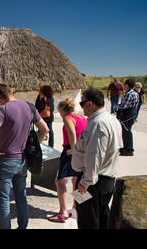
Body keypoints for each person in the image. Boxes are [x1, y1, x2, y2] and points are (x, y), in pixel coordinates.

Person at [0, 84, 49, 229]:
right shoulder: (30, 107)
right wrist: (33, 146)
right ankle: (23, 226)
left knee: (3, 200)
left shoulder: (3, 109)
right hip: (22, 160)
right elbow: (45, 129)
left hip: (6, 160)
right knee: (21, 197)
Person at [72, 88, 122, 229]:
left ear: (90, 104)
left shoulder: (98, 123)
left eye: (82, 104)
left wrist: (85, 181)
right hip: (103, 179)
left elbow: (95, 155)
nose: (81, 108)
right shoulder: (112, 120)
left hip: (93, 182)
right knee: (101, 218)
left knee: (88, 221)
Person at [47, 98, 87, 223]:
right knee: (77, 180)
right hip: (83, 151)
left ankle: (63, 212)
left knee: (60, 181)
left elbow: (72, 132)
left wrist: (73, 148)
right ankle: (76, 209)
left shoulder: (68, 118)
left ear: (63, 110)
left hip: (70, 150)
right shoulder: (81, 117)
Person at [116, 79, 140, 156]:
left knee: (126, 132)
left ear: (127, 85)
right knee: (127, 131)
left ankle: (129, 149)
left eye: (124, 84)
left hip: (128, 115)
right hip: (131, 114)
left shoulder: (129, 94)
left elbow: (124, 105)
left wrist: (116, 106)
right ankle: (127, 147)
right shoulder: (135, 93)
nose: (123, 85)